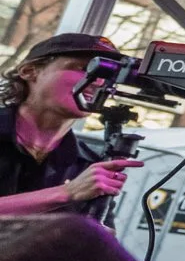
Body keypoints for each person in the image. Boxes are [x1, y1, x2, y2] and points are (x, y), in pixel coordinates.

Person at [0, 31, 140, 219]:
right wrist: (65, 193)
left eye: (108, 75)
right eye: (86, 68)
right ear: (29, 71)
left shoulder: (89, 164)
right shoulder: (87, 176)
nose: (99, 81)